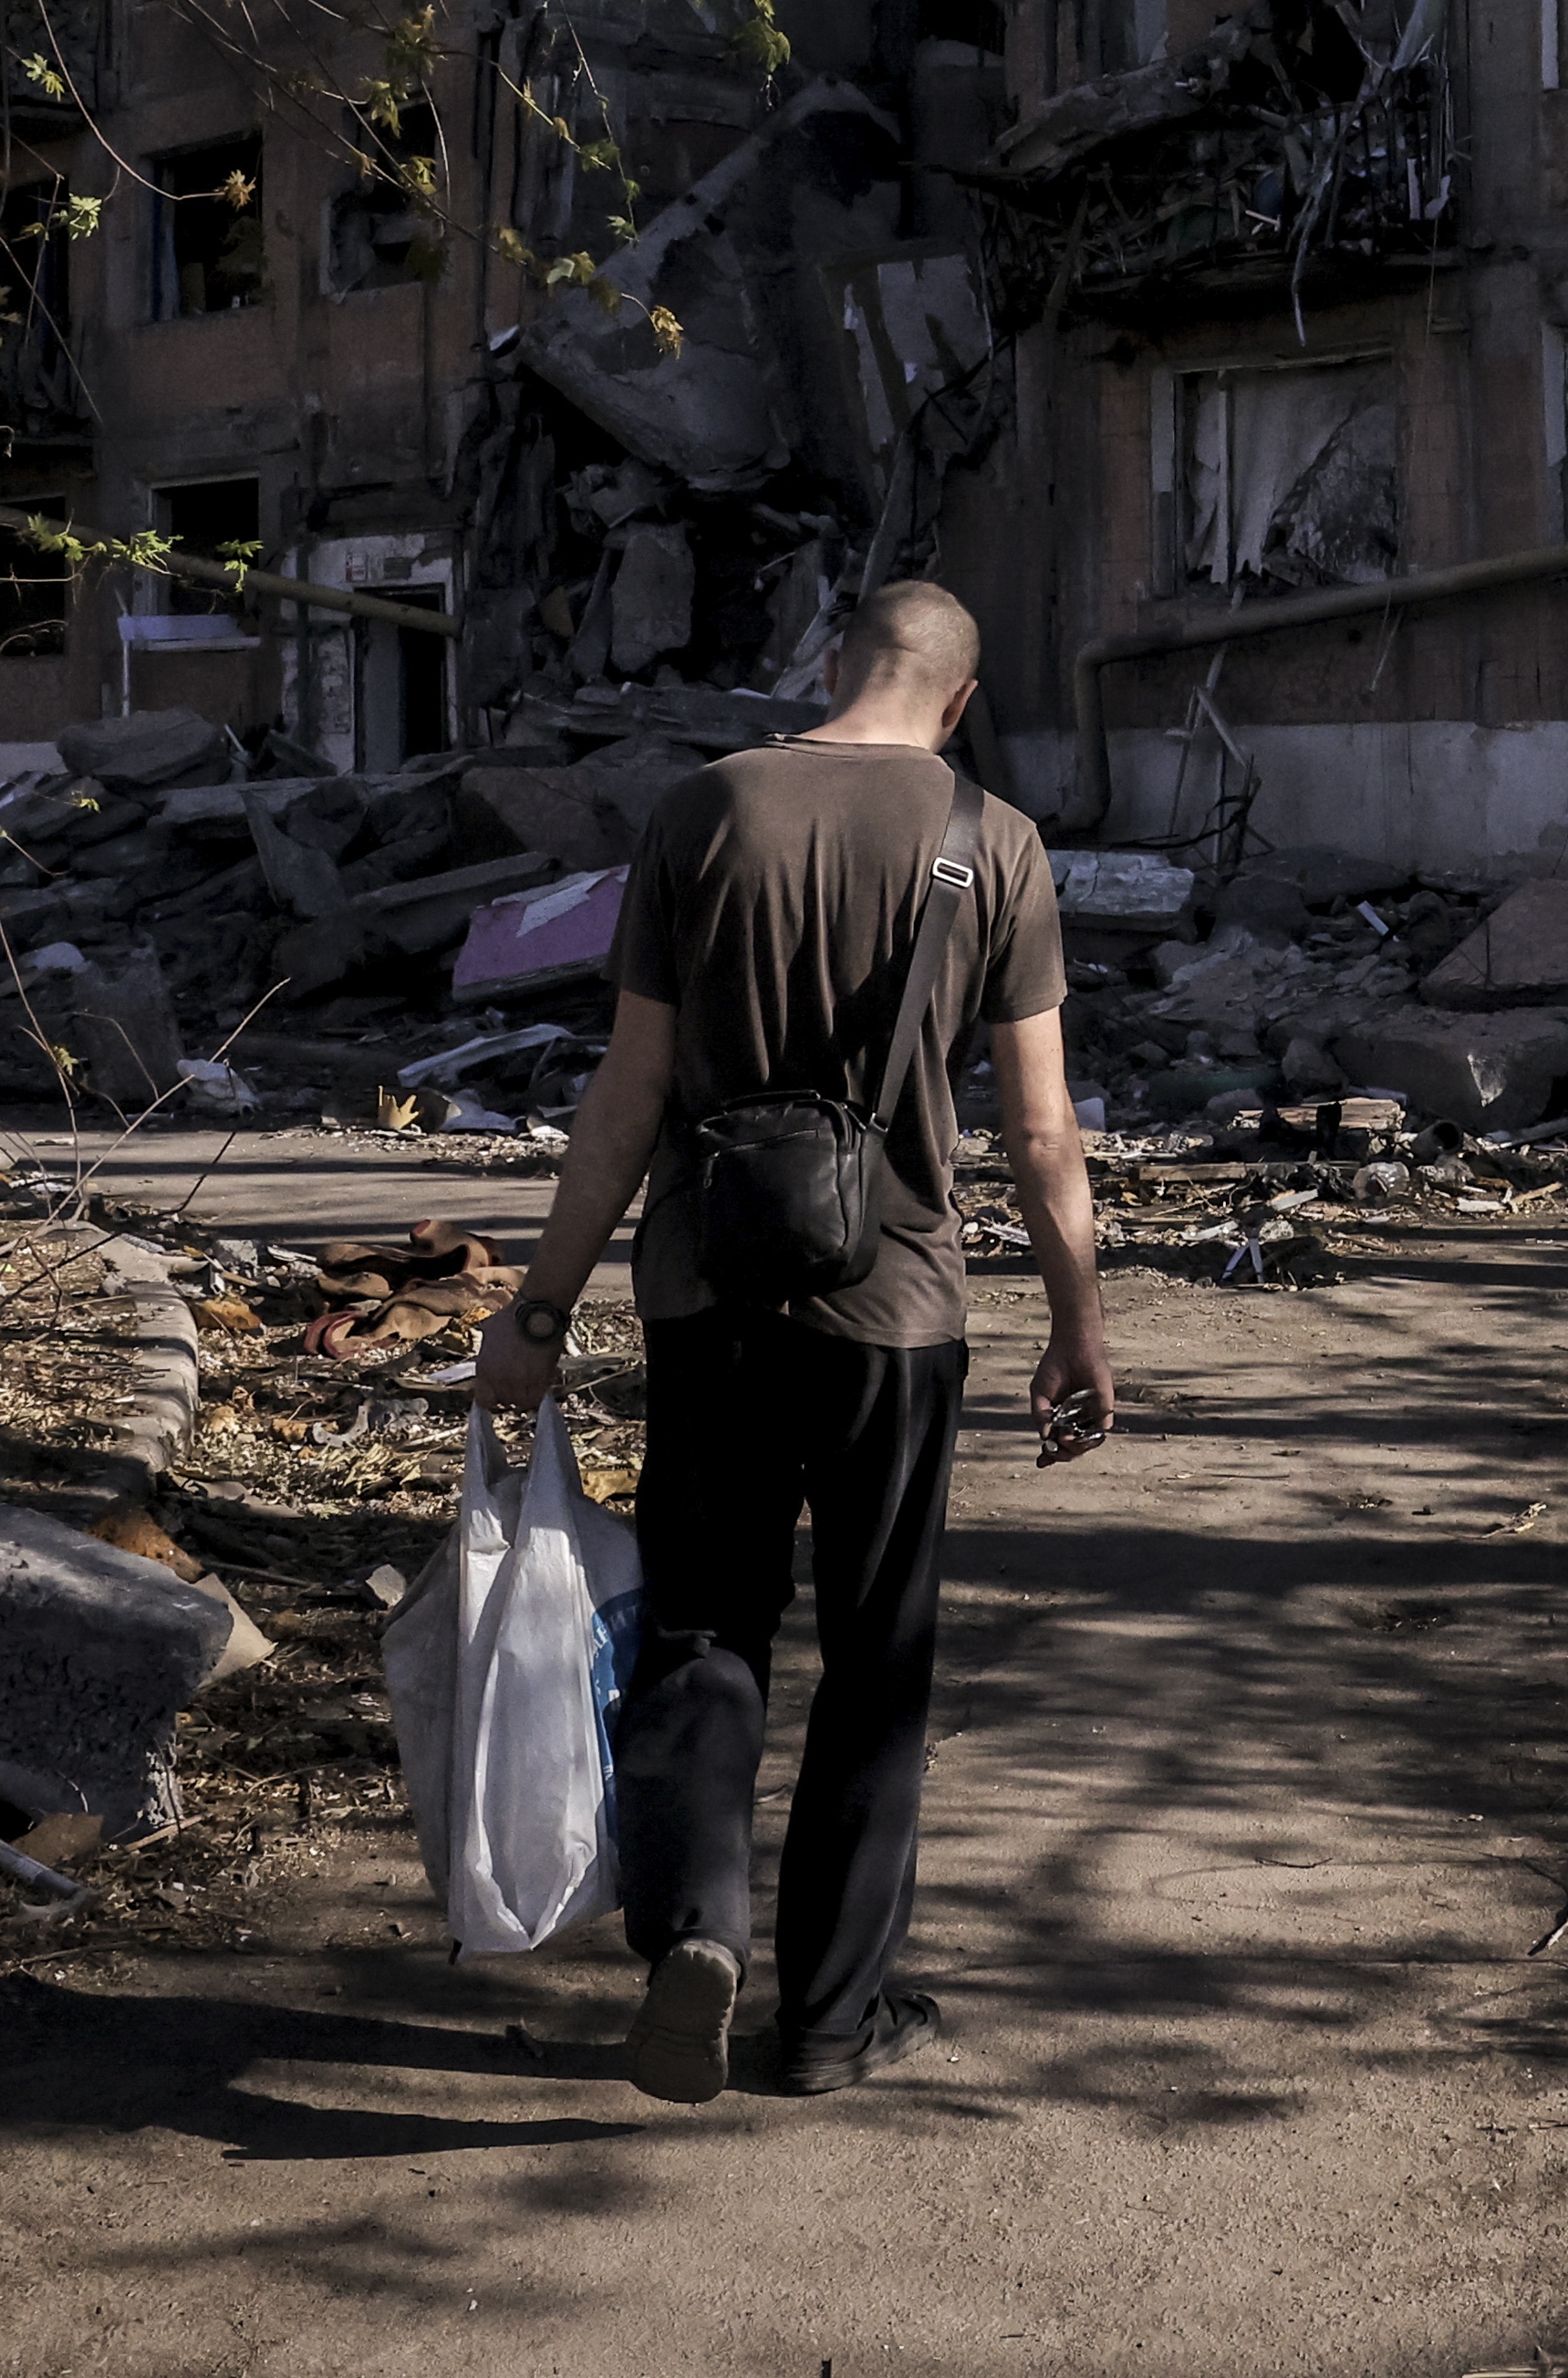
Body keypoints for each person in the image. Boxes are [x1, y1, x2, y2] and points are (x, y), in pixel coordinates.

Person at [465, 580, 1108, 2107]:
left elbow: (624, 1098)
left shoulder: (702, 809)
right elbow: (1038, 1130)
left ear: (832, 667)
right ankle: (830, 2015)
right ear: (957, 698)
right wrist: (1079, 1323)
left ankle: (696, 1927)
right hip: (896, 1310)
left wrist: (538, 1310)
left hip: (708, 1295)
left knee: (702, 1628)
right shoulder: (993, 840)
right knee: (878, 1657)